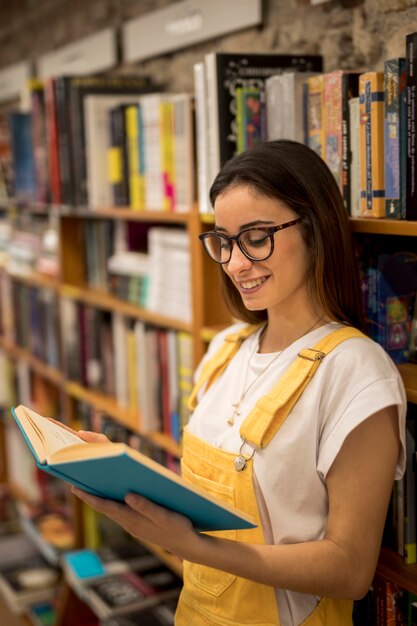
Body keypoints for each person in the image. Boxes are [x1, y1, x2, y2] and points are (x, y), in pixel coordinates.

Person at [73, 140, 407, 626]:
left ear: (315, 228)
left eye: (256, 236)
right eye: (224, 241)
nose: (234, 263)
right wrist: (123, 477)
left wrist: (193, 547)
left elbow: (350, 569)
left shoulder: (356, 372)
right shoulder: (226, 348)